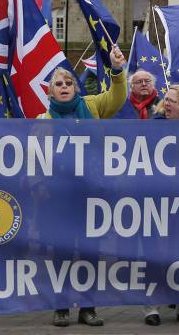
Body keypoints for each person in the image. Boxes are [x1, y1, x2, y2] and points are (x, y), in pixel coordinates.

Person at [39, 45, 127, 327]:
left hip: (91, 194)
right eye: (58, 84)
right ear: (50, 91)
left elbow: (117, 96)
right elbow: (35, 159)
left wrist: (116, 70)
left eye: (68, 83)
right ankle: (61, 306)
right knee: (61, 252)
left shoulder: (92, 105)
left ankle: (88, 307)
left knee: (90, 252)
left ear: (76, 88)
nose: (64, 87)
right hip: (59, 198)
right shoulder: (43, 120)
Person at [143, 84, 179, 326]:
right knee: (156, 255)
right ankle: (151, 309)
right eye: (166, 99)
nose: (167, 104)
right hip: (158, 202)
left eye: (173, 101)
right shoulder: (154, 127)